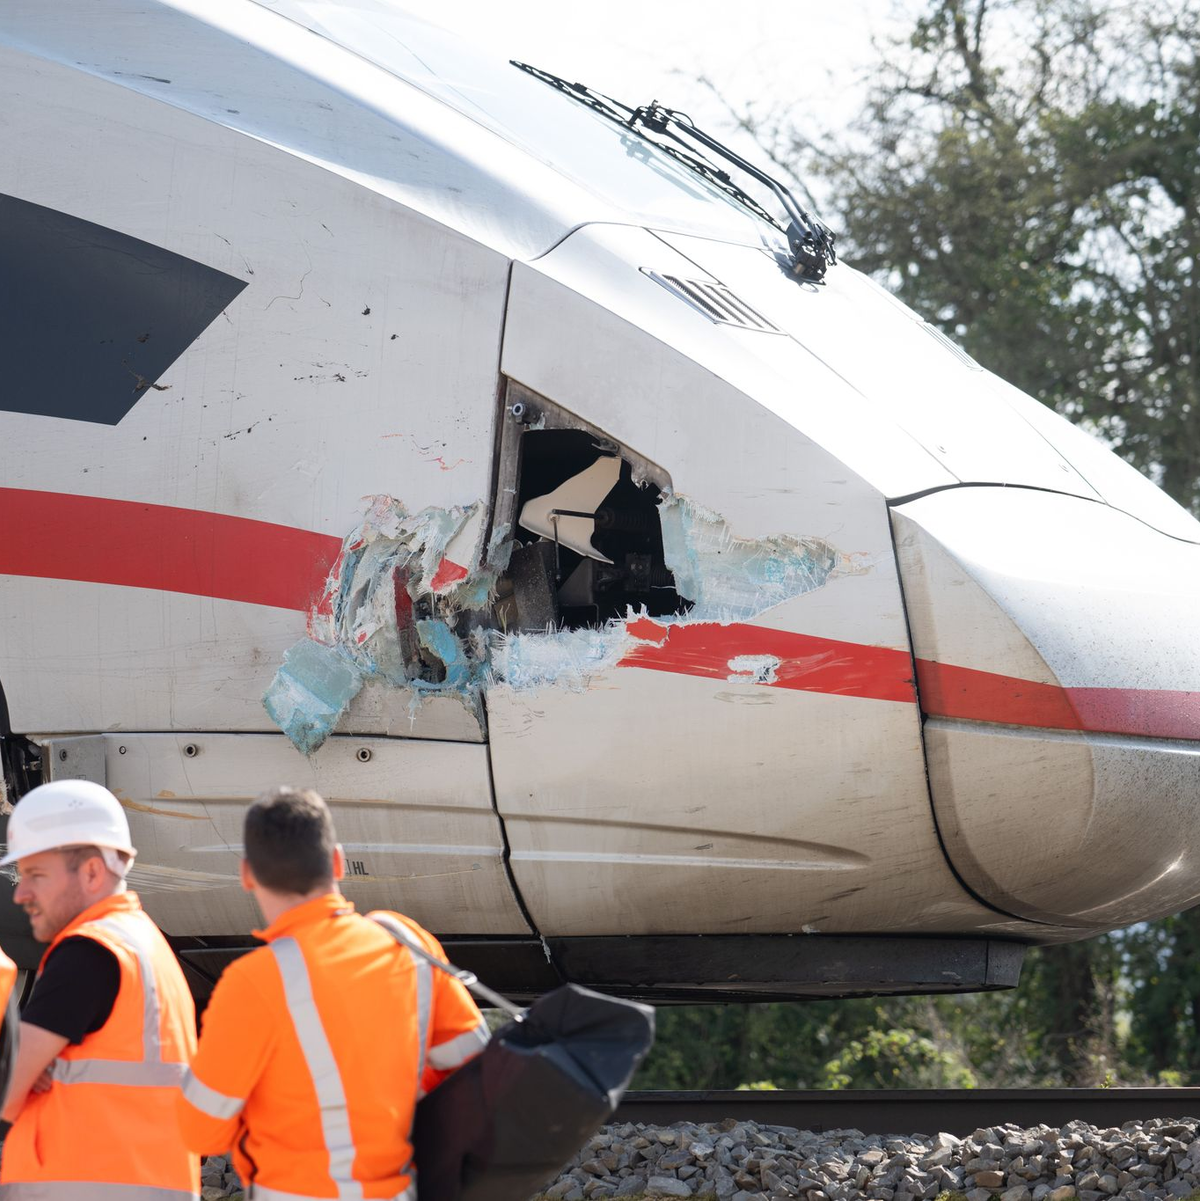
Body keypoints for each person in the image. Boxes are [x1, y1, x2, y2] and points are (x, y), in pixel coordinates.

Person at [177, 785, 489, 1201]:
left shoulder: (253, 981)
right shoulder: (405, 942)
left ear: (247, 874)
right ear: (338, 860)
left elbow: (201, 1130)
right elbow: (473, 1060)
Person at [0, 779, 200, 1199]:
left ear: (92, 870)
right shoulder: (142, 942)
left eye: (35, 874)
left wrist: (34, 1072)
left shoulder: (89, 954)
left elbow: (5, 1089)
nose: (20, 893)